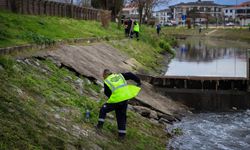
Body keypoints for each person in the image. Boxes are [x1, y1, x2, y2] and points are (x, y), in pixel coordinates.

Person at [96, 69, 141, 139]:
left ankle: (99, 127)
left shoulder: (107, 81)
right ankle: (122, 136)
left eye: (103, 76)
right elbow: (130, 74)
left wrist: (113, 97)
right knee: (121, 117)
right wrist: (138, 81)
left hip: (116, 99)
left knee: (103, 109)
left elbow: (107, 93)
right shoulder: (120, 76)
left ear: (105, 75)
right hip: (125, 99)